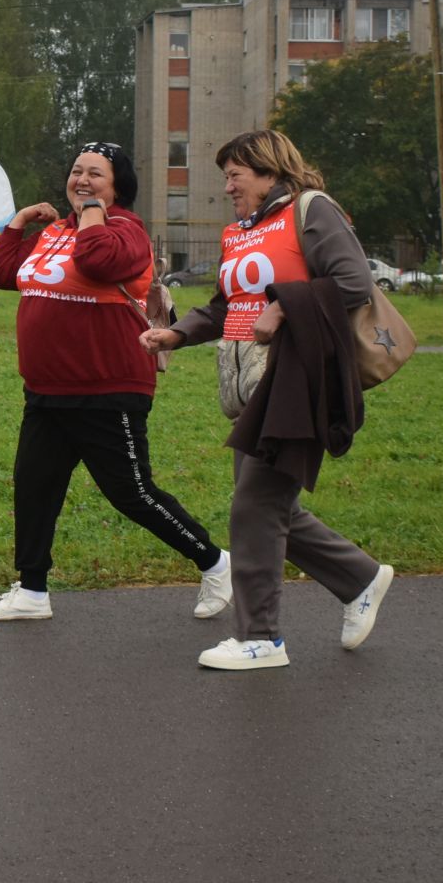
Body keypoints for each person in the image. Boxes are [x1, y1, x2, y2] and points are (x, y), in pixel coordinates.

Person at [141, 130, 394, 671]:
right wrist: (177, 334)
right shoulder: (241, 231)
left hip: (296, 379)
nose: (228, 186)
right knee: (270, 507)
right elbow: (224, 305)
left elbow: (353, 282)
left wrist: (283, 306)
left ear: (268, 170)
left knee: (254, 506)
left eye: (236, 175)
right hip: (250, 387)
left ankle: (260, 638)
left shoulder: (312, 210)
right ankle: (360, 578)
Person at [0, 141, 232, 623]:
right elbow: (0, 272)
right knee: (34, 487)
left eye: (97, 174)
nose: (83, 180)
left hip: (107, 388)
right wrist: (18, 223)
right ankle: (31, 590)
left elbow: (96, 262)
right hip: (47, 390)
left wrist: (94, 213)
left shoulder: (128, 231)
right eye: (77, 172)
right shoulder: (55, 232)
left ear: (119, 187)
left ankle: (216, 563)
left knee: (132, 493)